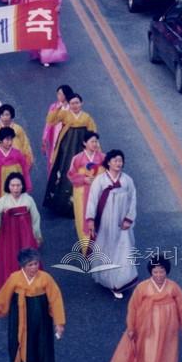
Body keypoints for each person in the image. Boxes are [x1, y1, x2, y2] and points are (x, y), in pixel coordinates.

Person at [101, 255, 182, 362]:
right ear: (151, 272)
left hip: (168, 331)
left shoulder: (173, 287)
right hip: (147, 329)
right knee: (149, 358)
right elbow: (133, 307)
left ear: (166, 272)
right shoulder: (142, 287)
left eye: (161, 272)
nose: (158, 275)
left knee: (165, 359)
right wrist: (131, 327)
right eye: (155, 272)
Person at [85, 149, 138, 300]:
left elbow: (133, 200)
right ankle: (107, 279)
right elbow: (92, 201)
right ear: (108, 162)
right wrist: (90, 220)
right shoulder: (100, 181)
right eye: (115, 160)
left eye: (120, 160)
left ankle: (119, 282)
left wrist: (129, 218)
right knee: (106, 249)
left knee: (123, 250)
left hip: (122, 223)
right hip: (105, 222)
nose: (118, 163)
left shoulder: (127, 181)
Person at [0, 128, 33, 256]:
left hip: (15, 189)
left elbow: (24, 170)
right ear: (0, 140)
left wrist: (26, 185)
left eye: (11, 139)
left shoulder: (17, 154)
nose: (9, 142)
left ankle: (18, 243)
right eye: (6, 139)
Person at [43, 93, 97, 216]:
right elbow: (50, 120)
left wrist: (94, 147)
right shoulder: (64, 114)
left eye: (77, 103)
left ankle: (81, 204)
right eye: (72, 103)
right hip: (66, 147)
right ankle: (62, 204)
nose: (75, 105)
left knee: (82, 170)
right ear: (69, 104)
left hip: (82, 146)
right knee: (65, 170)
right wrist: (58, 108)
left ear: (81, 103)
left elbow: (93, 132)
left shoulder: (87, 117)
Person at [0, 172, 42, 292]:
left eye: (18, 185)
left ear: (23, 186)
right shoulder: (2, 201)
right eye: (13, 185)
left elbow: (36, 218)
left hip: (26, 234)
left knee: (28, 258)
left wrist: (37, 235)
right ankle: (12, 288)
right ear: (8, 186)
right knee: (10, 259)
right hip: (8, 234)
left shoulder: (28, 199)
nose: (15, 188)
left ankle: (31, 287)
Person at [67, 130, 104, 253]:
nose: (95, 144)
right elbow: (71, 175)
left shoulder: (102, 157)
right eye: (92, 141)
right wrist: (84, 179)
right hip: (82, 192)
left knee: (100, 216)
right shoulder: (77, 159)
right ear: (84, 143)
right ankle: (86, 247)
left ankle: (101, 245)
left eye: (96, 141)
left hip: (98, 192)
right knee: (83, 217)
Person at [30, 0, 68, 67]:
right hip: (42, 18)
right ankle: (45, 57)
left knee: (54, 35)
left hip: (52, 18)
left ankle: (54, 56)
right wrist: (38, 1)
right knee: (43, 36)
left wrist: (58, 7)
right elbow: (31, 2)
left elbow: (59, 1)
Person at [42, 84, 74, 176]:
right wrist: (44, 137)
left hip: (67, 137)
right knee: (53, 158)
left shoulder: (72, 107)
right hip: (55, 136)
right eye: (58, 94)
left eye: (61, 94)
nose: (58, 96)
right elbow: (48, 123)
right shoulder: (54, 106)